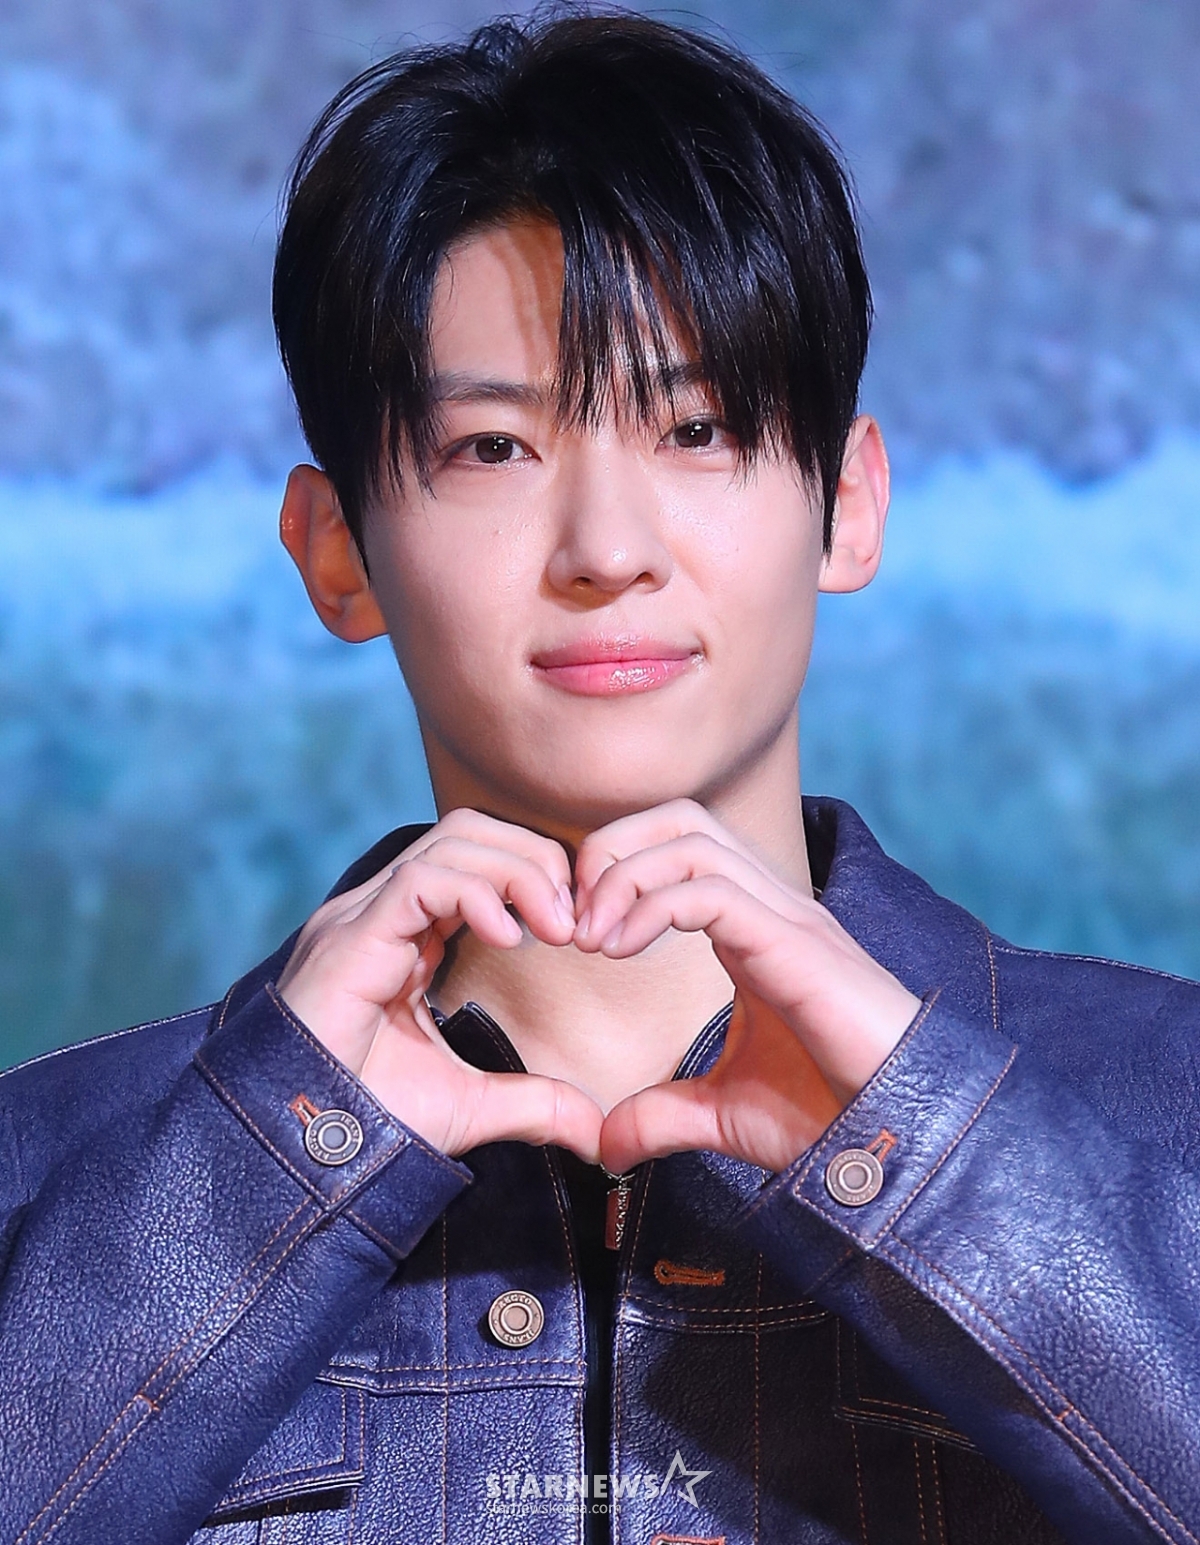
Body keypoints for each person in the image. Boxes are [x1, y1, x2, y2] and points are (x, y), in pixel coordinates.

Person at [0, 11, 1196, 1544]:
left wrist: (931, 1150)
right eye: (493, 449)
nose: (607, 550)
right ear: (335, 551)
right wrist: (271, 1171)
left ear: (847, 505)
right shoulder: (48, 1169)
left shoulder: (1170, 1102)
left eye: (696, 427)